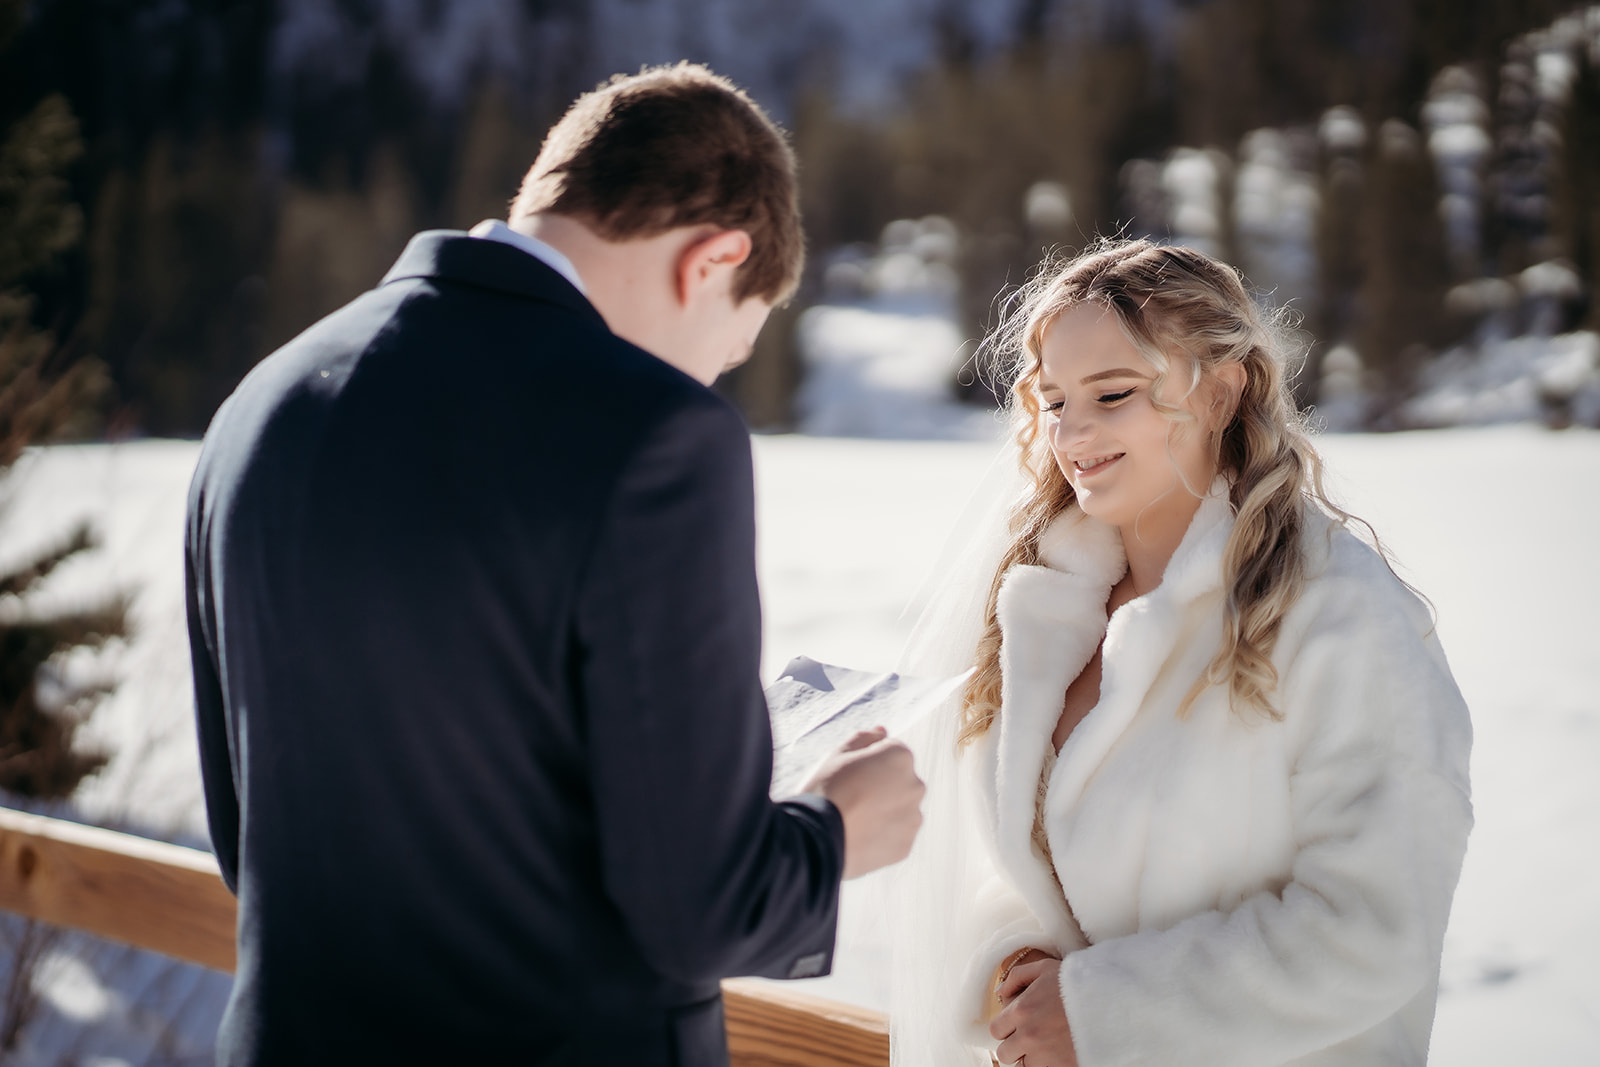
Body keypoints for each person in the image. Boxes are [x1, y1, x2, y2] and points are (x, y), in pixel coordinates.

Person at [184, 62, 924, 1067]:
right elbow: (700, 906)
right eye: (727, 349)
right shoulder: (658, 433)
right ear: (714, 258)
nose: (708, 378)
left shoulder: (261, 405)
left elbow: (253, 840)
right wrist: (837, 828)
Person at [885, 238, 1473, 1066]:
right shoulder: (1043, 603)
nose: (1073, 432)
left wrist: (1100, 1012)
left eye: (1113, 393)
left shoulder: (1342, 614)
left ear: (1222, 391)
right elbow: (1015, 862)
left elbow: (1375, 927)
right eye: (1054, 401)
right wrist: (1016, 965)